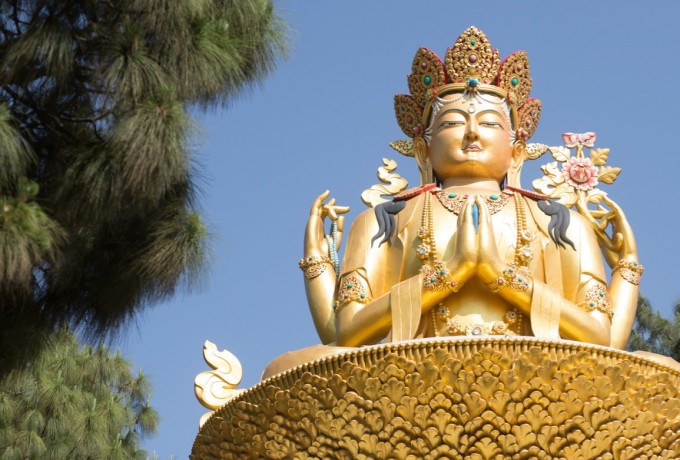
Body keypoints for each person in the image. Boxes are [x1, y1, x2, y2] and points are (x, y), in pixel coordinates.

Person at [299, 27, 642, 352]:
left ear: (517, 152)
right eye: (452, 122)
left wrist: (500, 274)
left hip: (536, 373)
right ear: (422, 150)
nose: (472, 132)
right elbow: (347, 333)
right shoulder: (384, 221)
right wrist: (453, 271)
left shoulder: (561, 224)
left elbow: (601, 339)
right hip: (412, 373)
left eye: (490, 122)